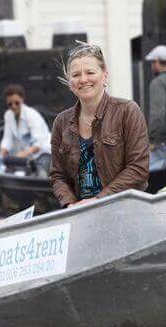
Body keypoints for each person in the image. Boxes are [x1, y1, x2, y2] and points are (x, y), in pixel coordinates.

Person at [49, 42, 150, 208]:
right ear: (69, 81)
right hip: (80, 213)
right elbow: (58, 175)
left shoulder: (127, 111)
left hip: (124, 209)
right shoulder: (61, 122)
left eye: (90, 72)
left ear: (104, 76)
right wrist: (70, 205)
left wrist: (99, 200)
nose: (83, 79)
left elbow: (138, 169)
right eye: (76, 75)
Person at [0, 84, 51, 159]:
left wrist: (21, 155)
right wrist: (2, 152)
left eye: (17, 103)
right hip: (27, 155)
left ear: (22, 99)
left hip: (45, 154)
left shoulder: (32, 115)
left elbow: (38, 144)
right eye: (10, 104)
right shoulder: (8, 115)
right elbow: (7, 138)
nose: (14, 106)